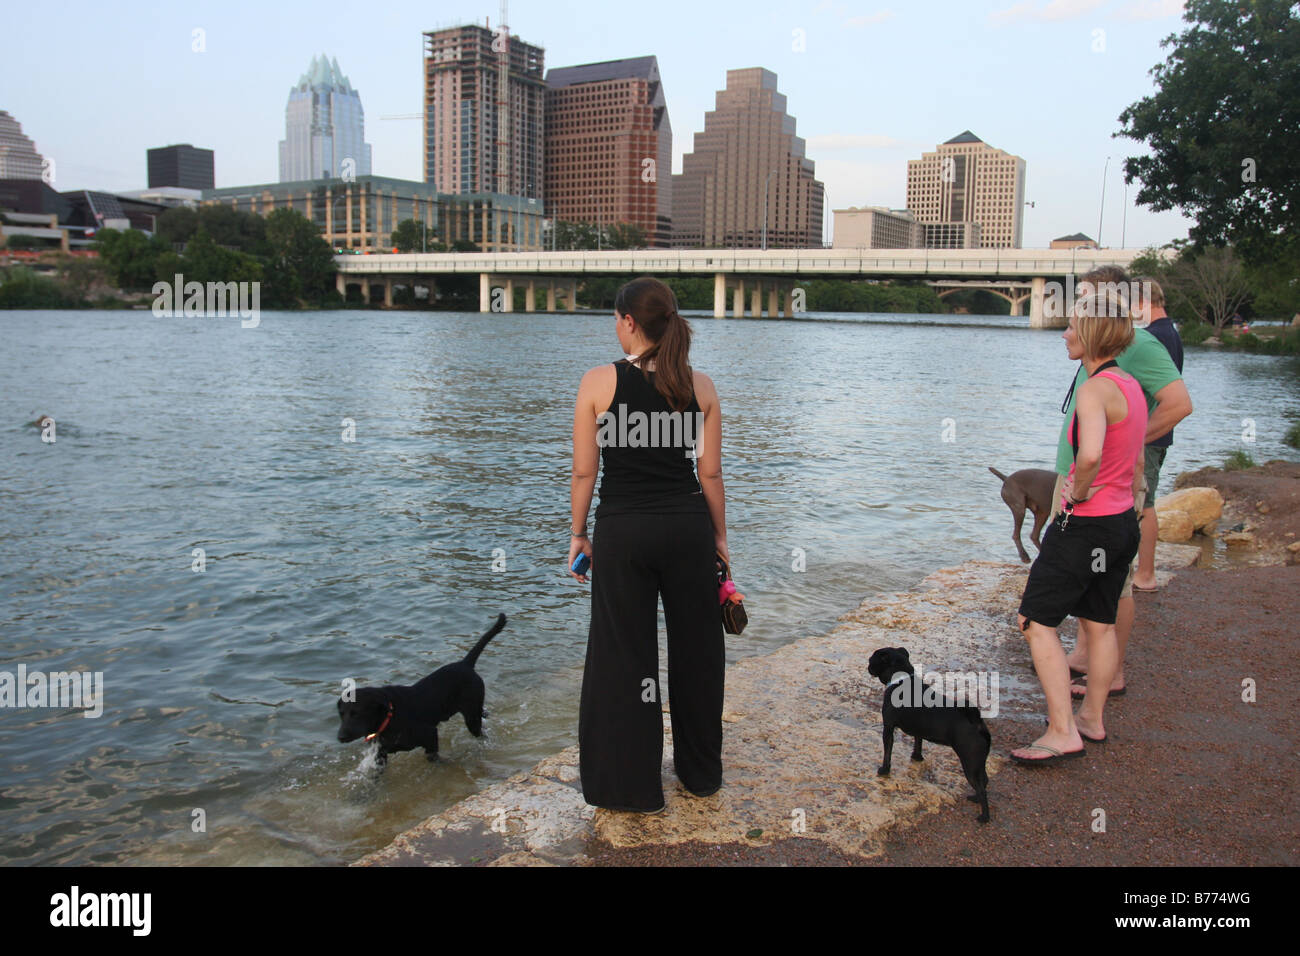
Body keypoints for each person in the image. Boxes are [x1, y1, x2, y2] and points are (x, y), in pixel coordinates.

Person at [568, 276, 728, 813]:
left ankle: (632, 788)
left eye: (617, 320)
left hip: (624, 532)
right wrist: (721, 540)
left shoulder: (598, 383)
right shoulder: (699, 386)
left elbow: (584, 474)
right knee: (698, 654)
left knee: (624, 658)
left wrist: (577, 534)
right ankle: (700, 775)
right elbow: (710, 476)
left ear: (630, 323)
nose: (615, 329)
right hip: (687, 529)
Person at [1013, 287, 1147, 763]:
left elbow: (1089, 454)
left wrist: (1079, 491)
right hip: (1120, 524)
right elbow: (1130, 461)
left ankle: (1060, 731)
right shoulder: (1130, 386)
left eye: (1072, 326)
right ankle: (1091, 718)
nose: (1065, 333)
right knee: (1100, 624)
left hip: (1086, 524)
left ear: (1090, 334)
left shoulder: (1093, 390)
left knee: (1035, 621)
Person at [1054, 269, 1192, 699]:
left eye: (1085, 300)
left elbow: (1179, 404)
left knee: (1116, 578)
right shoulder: (1096, 348)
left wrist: (1127, 444)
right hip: (1076, 472)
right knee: (1089, 573)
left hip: (1101, 485)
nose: (1075, 311)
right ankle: (1086, 654)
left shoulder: (1140, 343)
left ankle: (1110, 672)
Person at [1129, 278, 1184, 592]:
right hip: (1159, 434)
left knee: (1143, 503)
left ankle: (1145, 574)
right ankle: (1141, 570)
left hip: (1149, 436)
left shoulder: (1154, 338)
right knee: (1144, 500)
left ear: (1141, 302)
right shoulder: (1171, 333)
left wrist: (1136, 436)